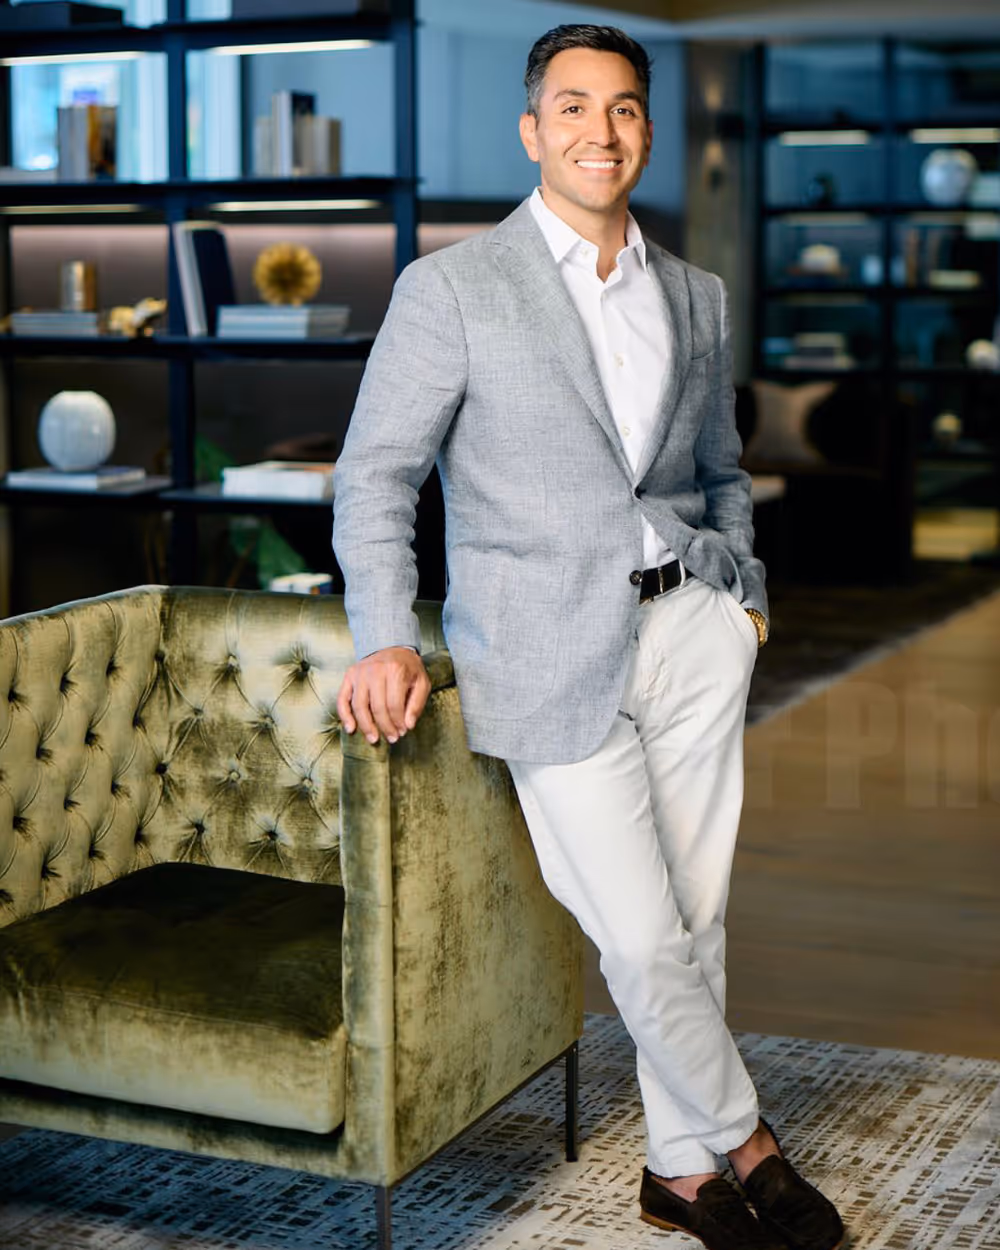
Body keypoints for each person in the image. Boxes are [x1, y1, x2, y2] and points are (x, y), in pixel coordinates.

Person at [333, 24, 845, 1250]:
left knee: (694, 915)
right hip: (541, 647)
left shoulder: (694, 294)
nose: (597, 133)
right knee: (635, 923)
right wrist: (380, 634)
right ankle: (749, 1139)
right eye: (571, 109)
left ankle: (678, 1169)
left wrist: (746, 597)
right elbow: (375, 478)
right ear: (531, 130)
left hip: (694, 629)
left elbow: (722, 468)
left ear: (646, 132)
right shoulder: (450, 288)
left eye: (620, 111)